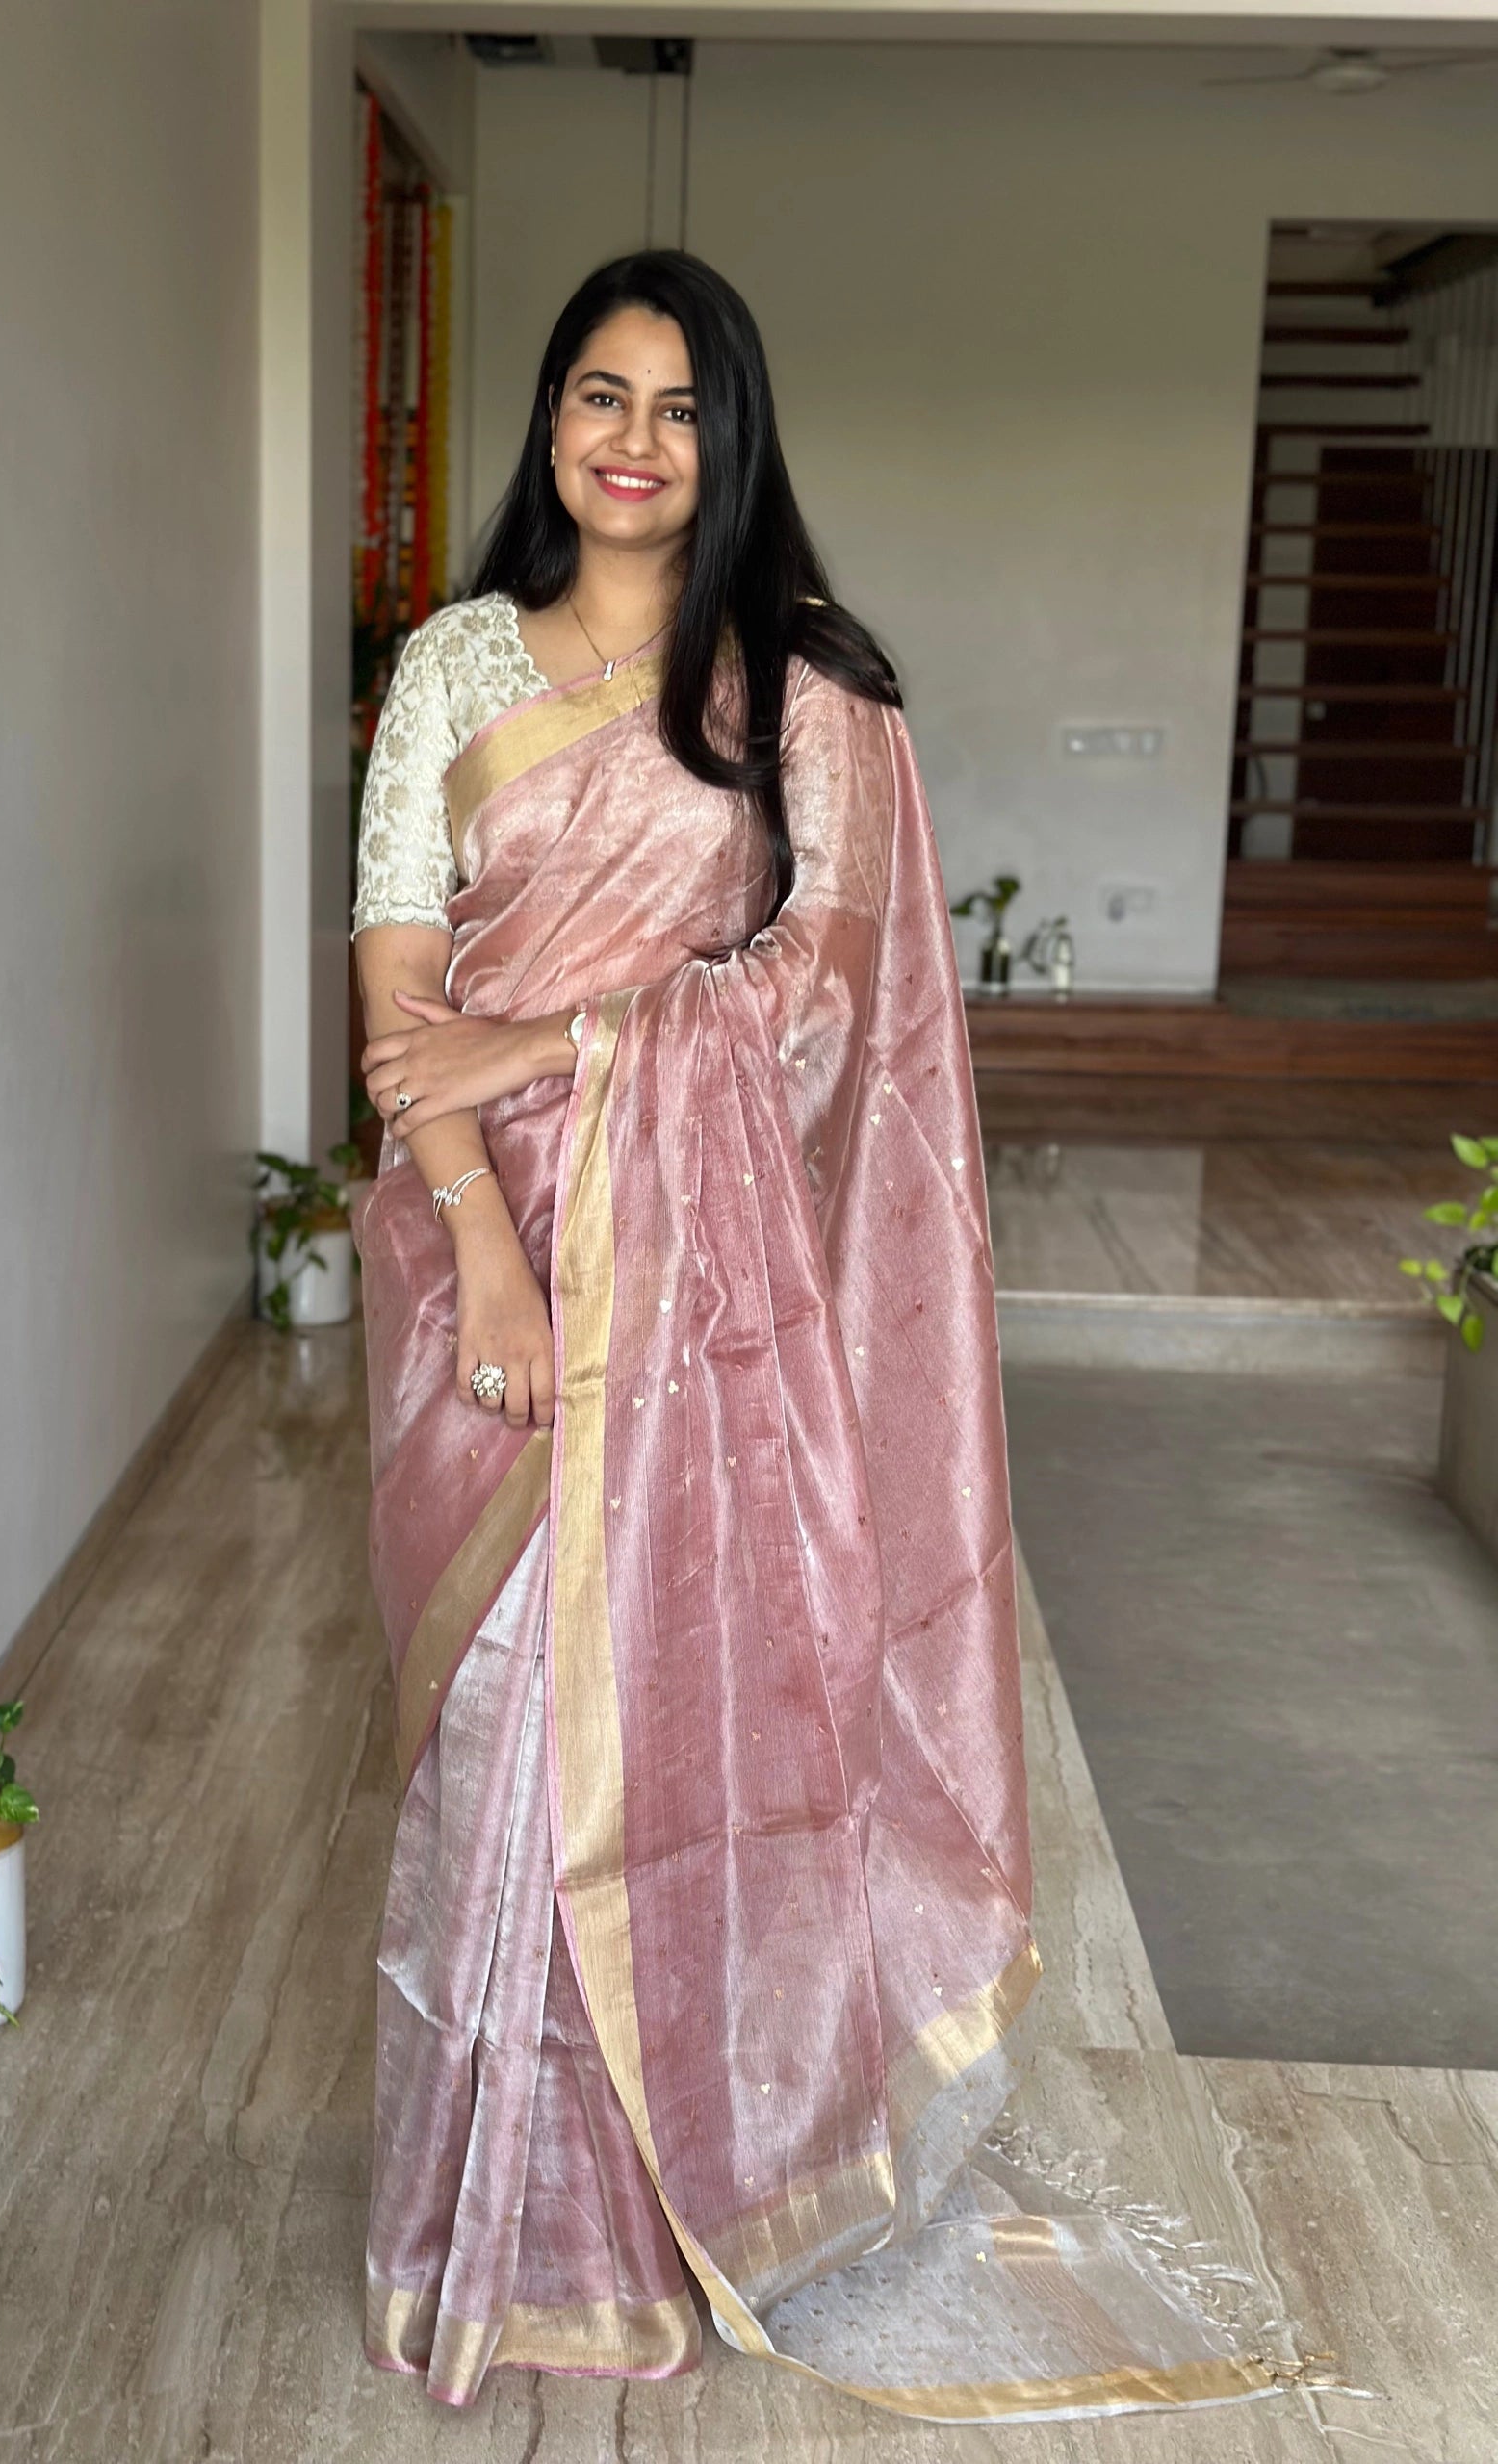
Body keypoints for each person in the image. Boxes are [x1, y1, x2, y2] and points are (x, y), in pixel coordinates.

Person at [348, 250, 1278, 2421]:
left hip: (710, 1302)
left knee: (662, 1739)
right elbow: (402, 1007)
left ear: (732, 437)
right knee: (496, 1749)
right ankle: (496, 2215)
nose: (635, 440)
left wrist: (549, 1041)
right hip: (495, 1276)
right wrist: (489, 1250)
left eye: (681, 406)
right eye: (601, 393)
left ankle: (678, 2201)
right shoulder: (455, 662)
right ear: (551, 419)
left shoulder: (803, 686)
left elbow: (817, 1001)